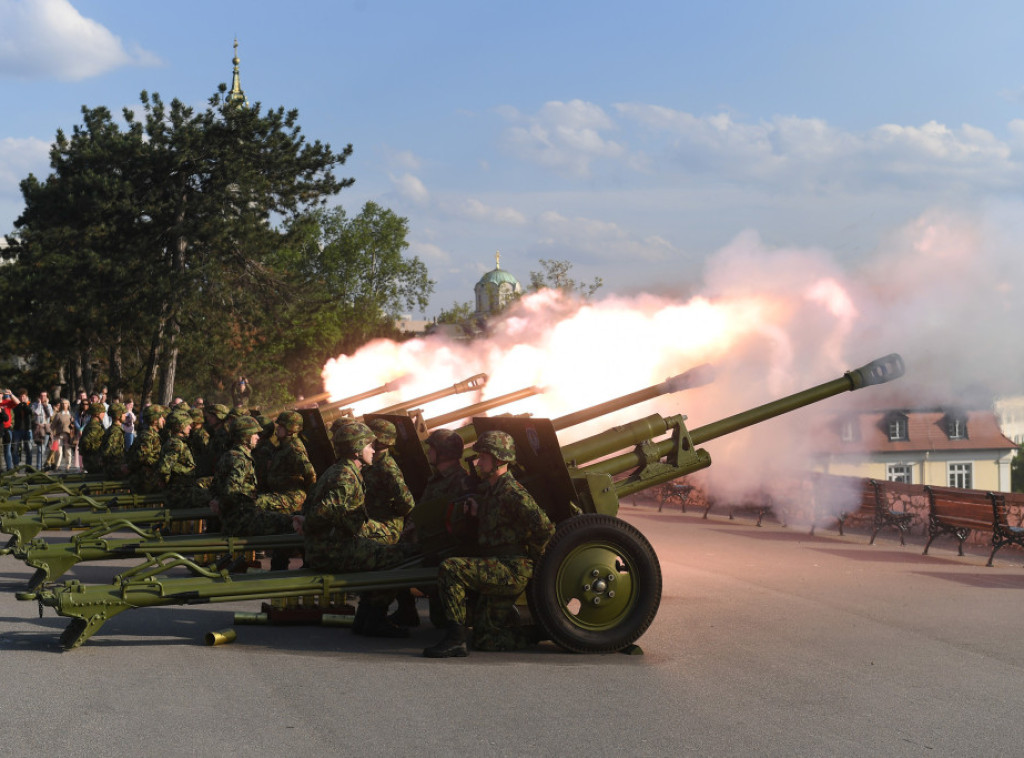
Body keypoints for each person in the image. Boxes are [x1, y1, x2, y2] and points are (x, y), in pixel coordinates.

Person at [423, 430, 554, 658]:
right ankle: (541, 631)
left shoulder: (514, 493)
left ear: (499, 460)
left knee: (450, 568)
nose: (479, 461)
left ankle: (455, 639)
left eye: (484, 457)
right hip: (495, 565)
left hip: (510, 569)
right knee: (486, 639)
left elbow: (544, 529)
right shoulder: (490, 490)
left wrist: (531, 562)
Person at [295, 420, 412, 638]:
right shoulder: (346, 477)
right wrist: (309, 523)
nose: (373, 449)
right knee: (396, 557)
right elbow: (322, 512)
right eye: (369, 445)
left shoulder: (338, 470)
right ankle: (374, 618)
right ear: (357, 450)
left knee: (379, 552)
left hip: (327, 547)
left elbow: (314, 504)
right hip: (331, 550)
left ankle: (365, 618)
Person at [208, 415, 292, 537]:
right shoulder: (241, 460)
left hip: (233, 519)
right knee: (289, 522)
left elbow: (215, 487)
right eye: (254, 434)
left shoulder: (230, 455)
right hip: (241, 520)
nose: (258, 437)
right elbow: (231, 492)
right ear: (245, 436)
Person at [361, 418, 415, 545]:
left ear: (380, 441)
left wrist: (388, 512)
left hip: (387, 527)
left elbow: (407, 503)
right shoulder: (371, 462)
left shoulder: (387, 468)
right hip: (372, 523)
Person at [127, 404, 167, 493]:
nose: (163, 420)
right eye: (161, 418)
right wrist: (158, 461)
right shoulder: (149, 436)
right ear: (155, 420)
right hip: (146, 480)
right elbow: (141, 457)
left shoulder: (149, 434)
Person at [100, 402, 129, 478]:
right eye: (123, 413)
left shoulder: (112, 429)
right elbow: (108, 452)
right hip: (114, 469)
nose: (125, 415)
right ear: (118, 415)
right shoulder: (116, 432)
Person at [78, 403, 107, 474]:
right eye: (103, 412)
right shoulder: (94, 427)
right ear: (97, 413)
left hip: (92, 461)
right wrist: (96, 453)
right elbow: (86, 443)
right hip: (94, 462)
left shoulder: (93, 425)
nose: (104, 414)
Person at [49, 399, 76, 471]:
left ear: (68, 405)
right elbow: (52, 426)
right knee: (58, 452)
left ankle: (68, 466)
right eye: (63, 403)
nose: (64, 405)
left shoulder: (71, 414)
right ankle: (57, 466)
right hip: (59, 435)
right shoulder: (58, 414)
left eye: (66, 403)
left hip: (68, 435)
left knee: (68, 451)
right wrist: (52, 434)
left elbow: (74, 425)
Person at [11, 389, 32, 467]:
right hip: (17, 429)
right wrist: (21, 404)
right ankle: (16, 465)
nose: (22, 398)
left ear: (26, 397)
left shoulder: (29, 404)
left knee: (28, 449)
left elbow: (29, 411)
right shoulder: (16, 405)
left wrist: (25, 404)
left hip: (27, 429)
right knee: (15, 449)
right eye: (20, 396)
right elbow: (16, 411)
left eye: (23, 396)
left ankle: (28, 466)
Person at [0, 389, 15, 470]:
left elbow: (17, 403)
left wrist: (11, 394)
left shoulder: (6, 402)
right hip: (0, 430)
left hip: (7, 429)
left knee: (7, 450)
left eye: (0, 393)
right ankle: (1, 468)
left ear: (2, 394)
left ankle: (9, 467)